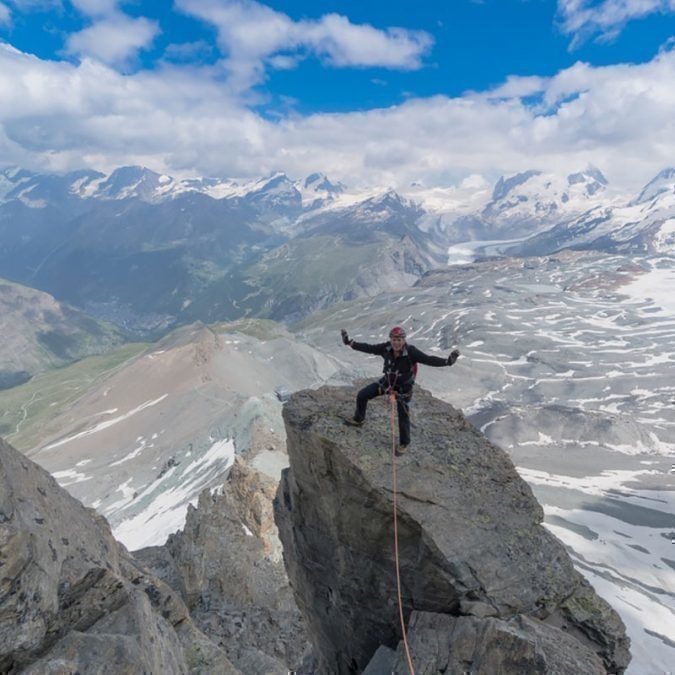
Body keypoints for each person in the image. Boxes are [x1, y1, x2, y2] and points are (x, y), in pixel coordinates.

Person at [341, 326, 460, 455]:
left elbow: (428, 359)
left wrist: (447, 362)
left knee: (403, 415)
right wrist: (350, 343)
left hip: (404, 388)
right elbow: (369, 348)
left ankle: (404, 443)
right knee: (362, 395)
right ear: (390, 340)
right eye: (394, 339)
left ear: (404, 340)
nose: (396, 342)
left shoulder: (411, 352)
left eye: (399, 339)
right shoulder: (386, 348)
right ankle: (359, 418)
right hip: (388, 382)